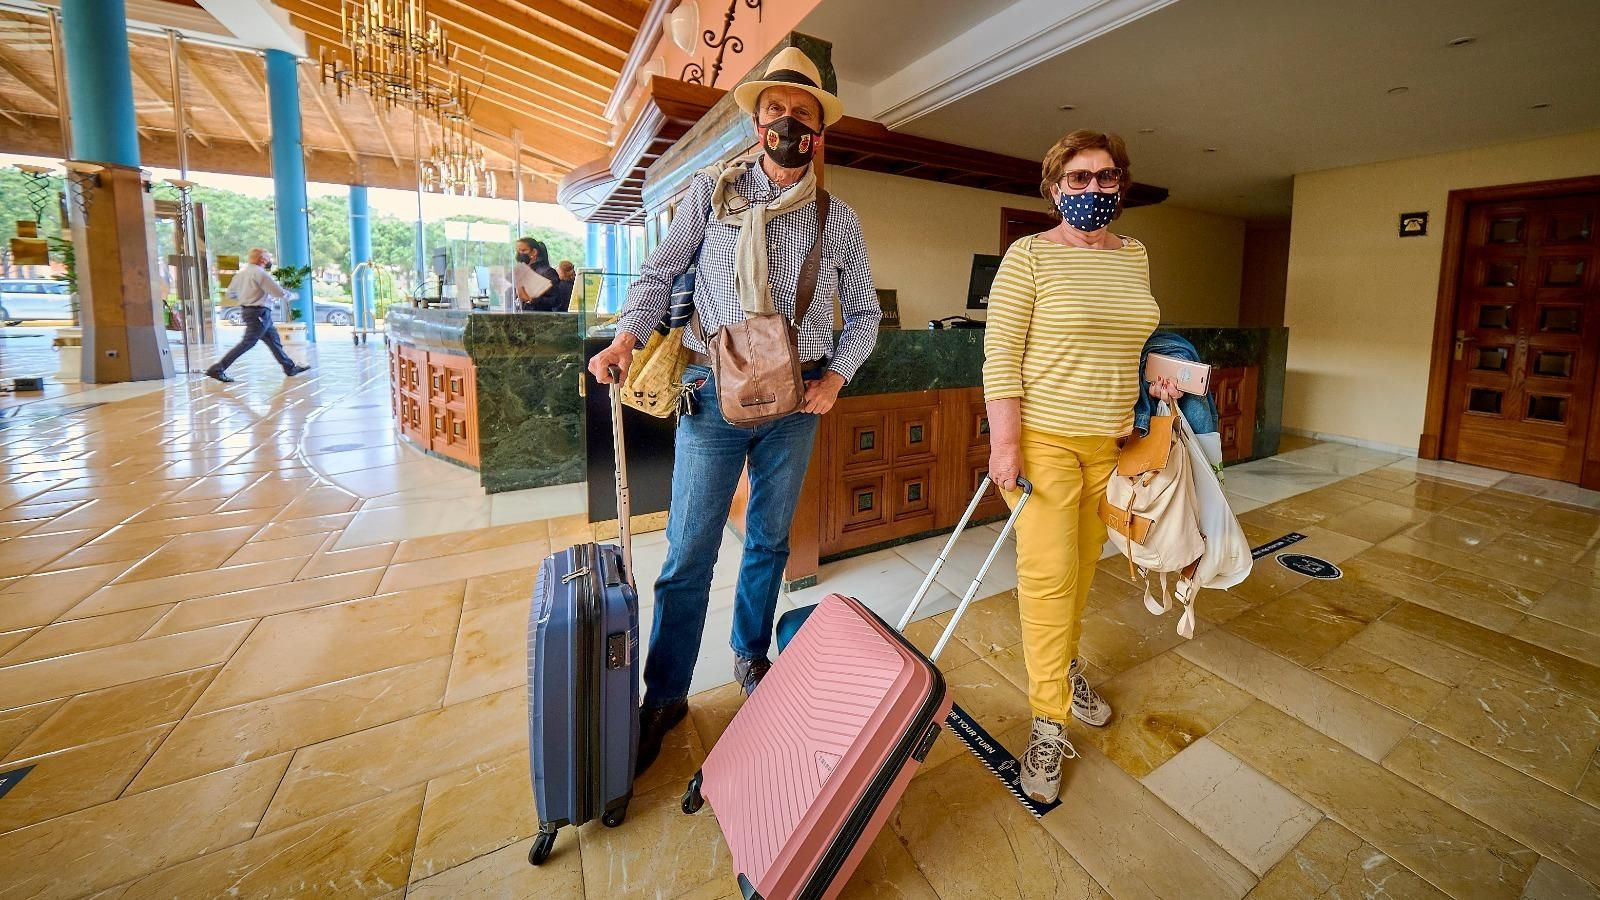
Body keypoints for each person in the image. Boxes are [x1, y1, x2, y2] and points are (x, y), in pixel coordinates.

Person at [589, 46, 879, 776]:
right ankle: (666, 696)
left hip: (798, 402)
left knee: (769, 545)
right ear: (757, 125)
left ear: (818, 134)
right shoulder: (709, 195)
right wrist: (625, 338)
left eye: (801, 115)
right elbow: (659, 272)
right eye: (774, 111)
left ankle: (750, 656)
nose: (786, 123)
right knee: (688, 554)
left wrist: (835, 381)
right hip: (711, 398)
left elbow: (865, 314)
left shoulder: (837, 219)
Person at [982, 130, 1180, 804]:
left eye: (1105, 178)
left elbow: (1128, 340)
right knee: (1047, 577)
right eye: (1079, 179)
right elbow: (1001, 356)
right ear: (1055, 188)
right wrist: (1004, 446)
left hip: (1111, 443)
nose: (1093, 189)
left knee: (1082, 571)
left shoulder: (1135, 255)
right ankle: (1047, 720)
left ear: (1119, 185)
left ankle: (1063, 672)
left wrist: (1158, 379)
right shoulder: (1029, 256)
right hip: (1044, 443)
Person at [206, 248, 310, 384]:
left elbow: (230, 294)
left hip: (251, 311)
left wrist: (248, 297)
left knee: (274, 341)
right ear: (262, 260)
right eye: (268, 258)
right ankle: (218, 368)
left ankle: (289, 368)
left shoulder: (241, 273)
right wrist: (293, 295)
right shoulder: (260, 273)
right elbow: (278, 292)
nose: (269, 261)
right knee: (247, 343)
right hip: (259, 313)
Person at [515, 238, 560, 311]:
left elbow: (555, 301)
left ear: (534, 252)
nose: (520, 254)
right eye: (518, 251)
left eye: (523, 250)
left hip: (539, 318)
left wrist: (531, 299)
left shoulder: (547, 272)